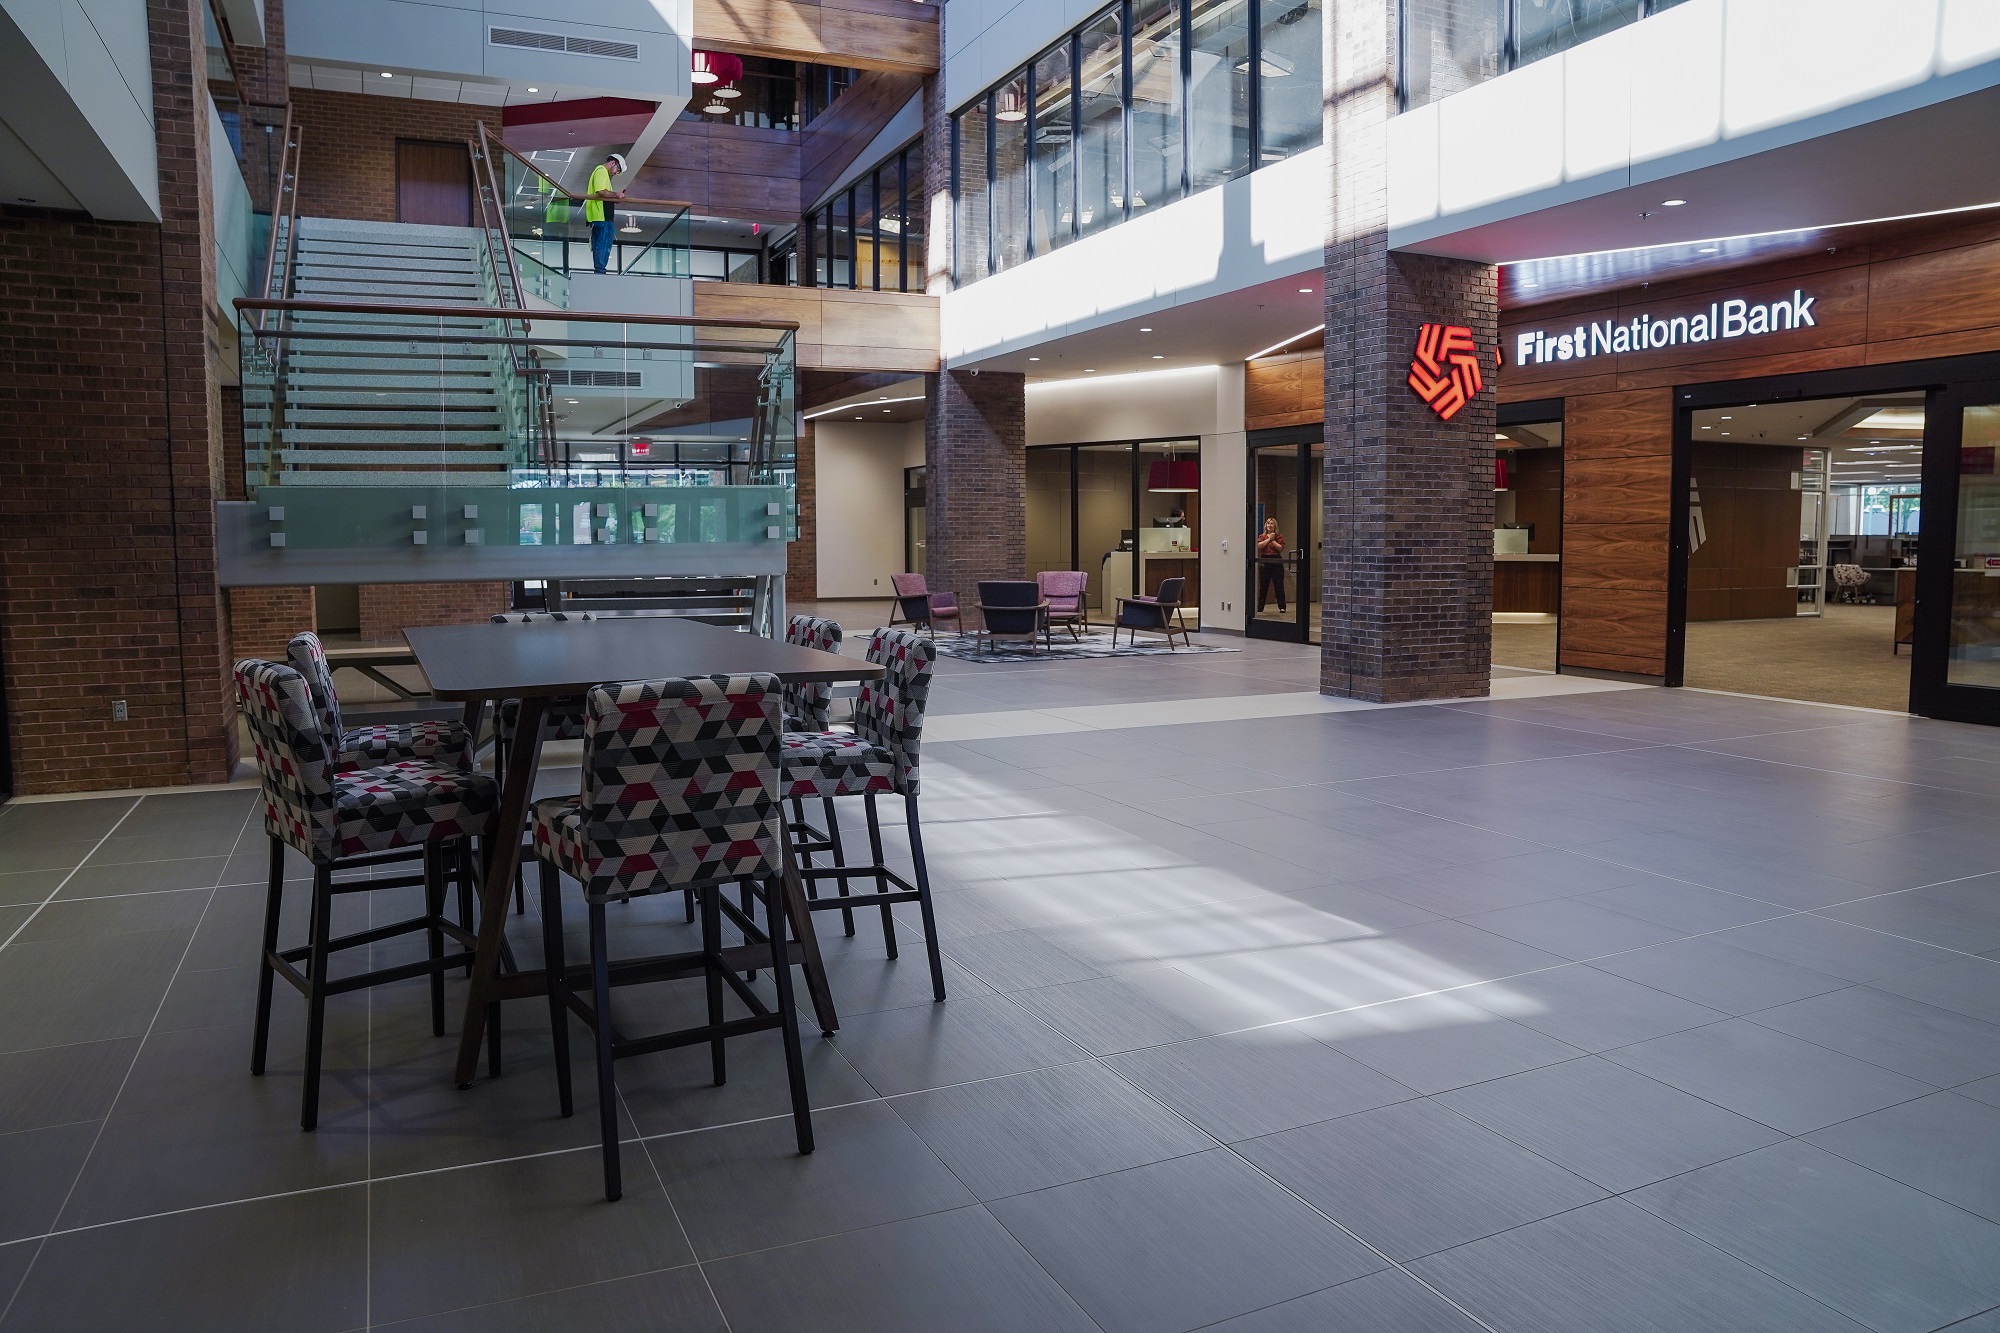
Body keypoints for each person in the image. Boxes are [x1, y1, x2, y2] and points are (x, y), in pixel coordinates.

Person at [585, 152, 627, 275]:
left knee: (600, 244)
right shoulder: (601, 171)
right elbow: (600, 192)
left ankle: (600, 271)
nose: (615, 173)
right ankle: (600, 272)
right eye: (617, 170)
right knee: (603, 244)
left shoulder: (601, 172)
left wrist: (614, 198)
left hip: (600, 215)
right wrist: (616, 194)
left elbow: (603, 193)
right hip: (601, 215)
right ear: (613, 162)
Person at [1256, 516, 1287, 612]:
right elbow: (1260, 546)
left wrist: (1273, 539)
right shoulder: (1262, 536)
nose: (1270, 525)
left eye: (1271, 523)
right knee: (1263, 585)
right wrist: (1269, 539)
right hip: (1265, 560)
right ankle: (1260, 607)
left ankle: (1282, 607)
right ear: (1266, 525)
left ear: (1275, 526)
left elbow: (1280, 548)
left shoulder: (1279, 536)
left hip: (1276, 560)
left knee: (1278, 585)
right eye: (1268, 523)